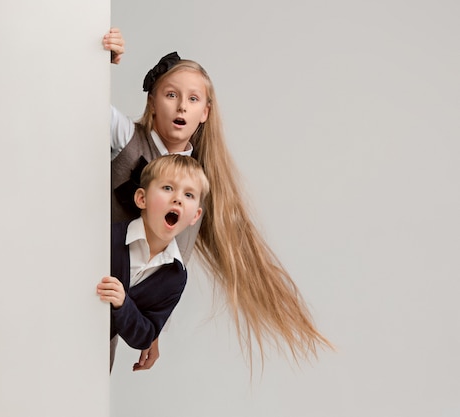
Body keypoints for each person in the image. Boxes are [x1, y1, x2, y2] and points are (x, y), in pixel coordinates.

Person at [102, 28, 333, 372]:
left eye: (193, 99)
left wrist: (152, 325)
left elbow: (168, 261)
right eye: (170, 95)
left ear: (205, 112)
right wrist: (101, 62)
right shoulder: (126, 139)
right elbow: (83, 99)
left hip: (109, 307)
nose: (181, 106)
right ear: (152, 101)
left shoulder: (196, 189)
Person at [97, 154, 209, 371]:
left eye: (188, 194)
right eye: (168, 188)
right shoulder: (107, 238)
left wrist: (123, 303)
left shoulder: (175, 276)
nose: (177, 198)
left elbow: (145, 335)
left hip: (92, 356)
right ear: (142, 199)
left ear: (195, 216)